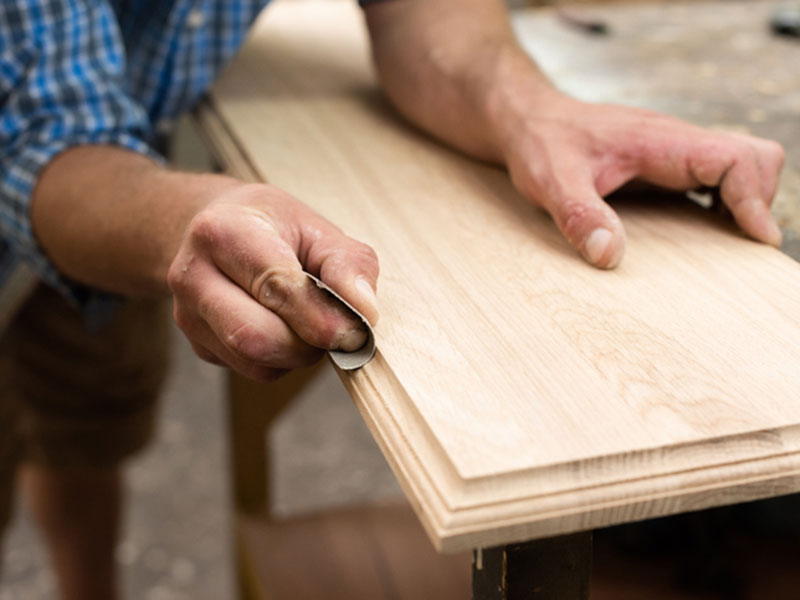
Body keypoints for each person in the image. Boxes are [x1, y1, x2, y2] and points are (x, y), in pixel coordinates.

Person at [0, 0, 785, 598]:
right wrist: (183, 219)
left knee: (89, 423)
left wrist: (532, 114)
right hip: (62, 179)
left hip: (141, 141)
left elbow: (426, 17)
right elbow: (48, 144)